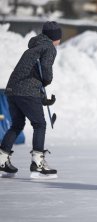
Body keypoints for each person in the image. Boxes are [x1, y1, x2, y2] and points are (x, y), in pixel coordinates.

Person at [0, 21, 62, 179]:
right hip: (26, 92)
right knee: (40, 124)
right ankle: (38, 164)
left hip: (12, 90)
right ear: (55, 37)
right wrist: (47, 81)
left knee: (17, 125)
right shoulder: (49, 48)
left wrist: (42, 99)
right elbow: (45, 72)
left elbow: (30, 75)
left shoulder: (34, 47)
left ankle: (1, 161)